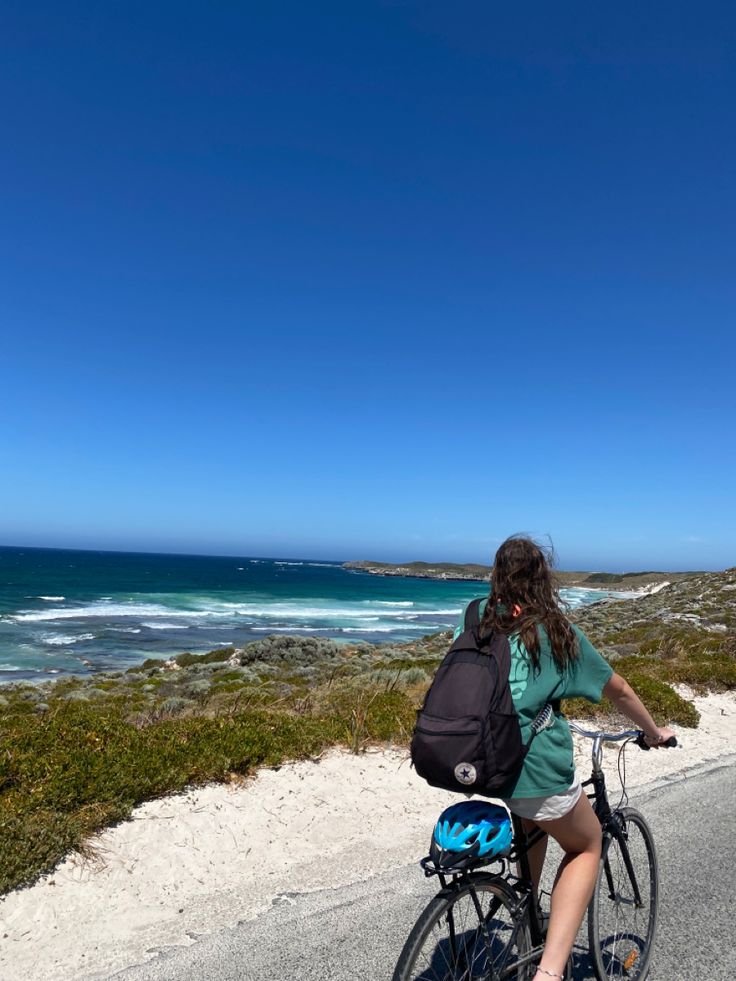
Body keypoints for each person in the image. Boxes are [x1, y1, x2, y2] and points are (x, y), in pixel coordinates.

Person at [453, 535, 675, 981]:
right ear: (542, 578)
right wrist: (654, 733)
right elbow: (620, 690)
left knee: (536, 823)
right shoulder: (553, 631)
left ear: (497, 574)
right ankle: (551, 973)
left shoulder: (476, 614)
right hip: (533, 768)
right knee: (586, 844)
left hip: (482, 759)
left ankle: (525, 915)